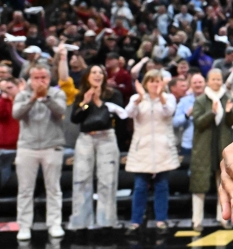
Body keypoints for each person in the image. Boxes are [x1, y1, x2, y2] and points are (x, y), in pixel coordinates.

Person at [12, 64, 66, 241]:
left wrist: (46, 98)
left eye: (43, 77)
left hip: (52, 147)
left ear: (49, 79)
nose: (40, 81)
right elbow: (16, 114)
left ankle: (55, 224)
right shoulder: (22, 95)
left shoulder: (57, 93)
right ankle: (25, 226)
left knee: (53, 189)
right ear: (30, 79)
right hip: (27, 147)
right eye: (36, 77)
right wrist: (33, 98)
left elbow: (61, 112)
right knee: (25, 190)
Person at [69, 64, 124, 232]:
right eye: (94, 72)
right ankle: (80, 222)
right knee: (81, 179)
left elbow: (121, 117)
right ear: (87, 76)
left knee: (107, 180)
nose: (97, 75)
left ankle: (107, 221)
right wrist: (85, 103)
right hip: (86, 138)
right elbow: (75, 119)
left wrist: (99, 101)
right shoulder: (80, 95)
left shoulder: (113, 94)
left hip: (106, 138)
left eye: (101, 73)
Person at [124, 71, 179, 234]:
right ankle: (136, 221)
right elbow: (128, 114)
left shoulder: (169, 98)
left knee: (162, 186)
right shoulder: (137, 99)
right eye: (152, 82)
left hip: (163, 148)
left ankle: (161, 220)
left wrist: (161, 96)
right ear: (146, 83)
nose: (156, 85)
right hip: (143, 149)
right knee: (140, 186)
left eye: (158, 81)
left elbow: (168, 112)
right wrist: (139, 98)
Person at [191, 69, 233, 230]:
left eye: (219, 79)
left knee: (224, 185)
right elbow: (198, 122)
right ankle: (197, 221)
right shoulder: (200, 100)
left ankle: (224, 218)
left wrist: (229, 112)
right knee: (199, 186)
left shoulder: (228, 98)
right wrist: (212, 113)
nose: (217, 82)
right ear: (208, 81)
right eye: (213, 79)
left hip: (223, 147)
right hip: (204, 149)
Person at [173, 73, 205, 156]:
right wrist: (187, 115)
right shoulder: (184, 101)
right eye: (194, 83)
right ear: (191, 85)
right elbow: (175, 123)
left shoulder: (211, 100)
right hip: (188, 145)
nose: (198, 85)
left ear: (205, 83)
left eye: (200, 82)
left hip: (207, 144)